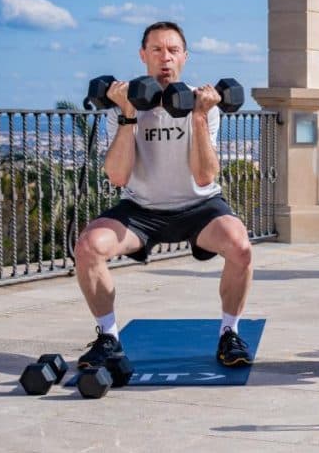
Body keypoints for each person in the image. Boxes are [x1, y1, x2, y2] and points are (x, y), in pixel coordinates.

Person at [73, 21, 254, 369]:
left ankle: (229, 333)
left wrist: (198, 117)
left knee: (240, 247)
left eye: (173, 50)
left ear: (185, 57)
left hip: (199, 206)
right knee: (88, 247)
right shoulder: (121, 106)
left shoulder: (205, 105)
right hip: (141, 208)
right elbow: (118, 176)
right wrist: (128, 115)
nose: (165, 58)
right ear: (143, 56)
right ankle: (108, 338)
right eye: (156, 50)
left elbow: (204, 176)